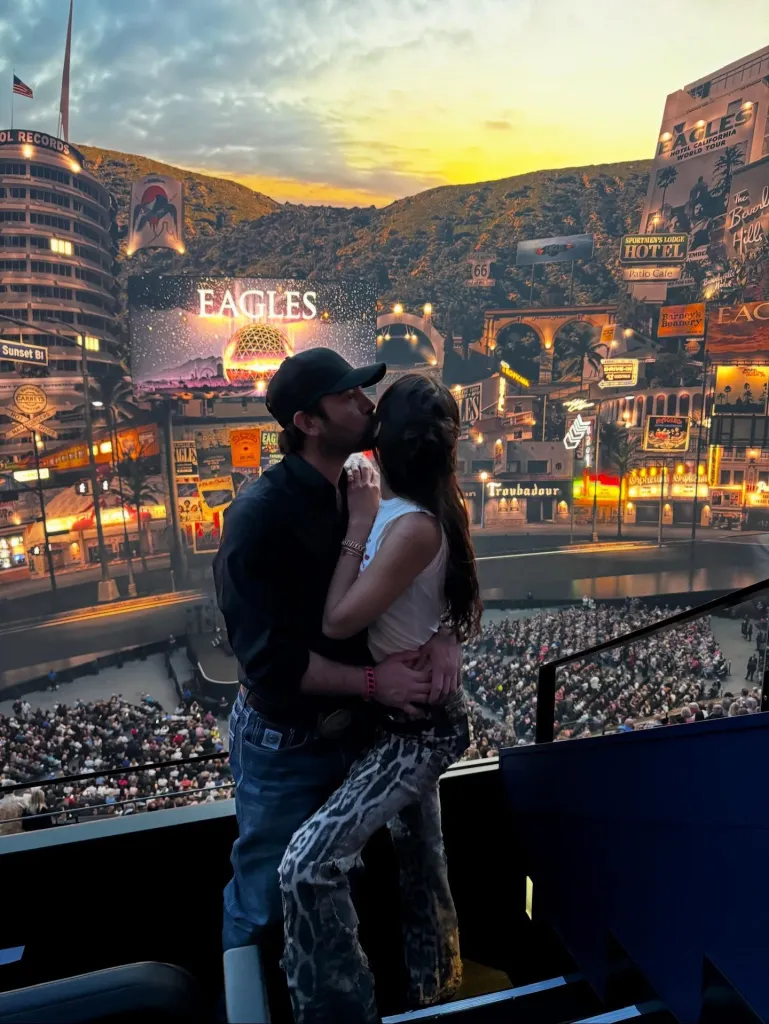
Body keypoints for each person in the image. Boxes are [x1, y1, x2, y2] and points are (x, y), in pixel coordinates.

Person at [213, 348, 461, 958]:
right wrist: (375, 684)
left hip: (363, 733)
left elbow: (429, 555)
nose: (366, 404)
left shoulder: (359, 486)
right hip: (287, 741)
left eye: (366, 392)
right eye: (349, 396)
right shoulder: (258, 516)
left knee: (354, 886)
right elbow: (271, 663)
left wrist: (446, 630)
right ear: (308, 423)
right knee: (266, 898)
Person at [279, 373, 480, 1023]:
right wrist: (445, 633)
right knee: (421, 856)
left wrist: (357, 524)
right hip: (404, 712)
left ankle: (342, 1009)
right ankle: (435, 982)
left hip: (418, 723)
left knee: (308, 864)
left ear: (381, 441)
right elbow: (445, 595)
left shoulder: (406, 521)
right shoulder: (417, 507)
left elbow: (339, 621)